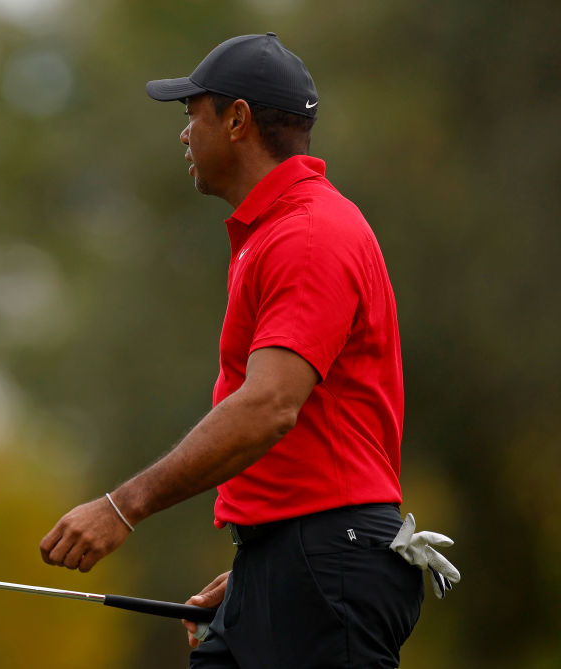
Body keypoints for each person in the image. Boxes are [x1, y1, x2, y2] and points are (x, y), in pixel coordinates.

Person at [39, 33, 456, 668]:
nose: (184, 135)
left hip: (328, 563)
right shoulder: (281, 230)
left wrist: (124, 505)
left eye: (191, 115)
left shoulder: (308, 233)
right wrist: (263, 568)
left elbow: (269, 407)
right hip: (298, 560)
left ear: (237, 120)